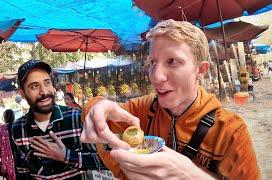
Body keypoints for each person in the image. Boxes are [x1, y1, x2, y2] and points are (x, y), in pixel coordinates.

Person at [80, 19, 260, 179]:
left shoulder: (230, 132)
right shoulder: (143, 109)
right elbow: (100, 112)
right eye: (152, 62)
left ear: (201, 70)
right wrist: (98, 107)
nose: (156, 77)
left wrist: (191, 174)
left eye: (172, 61)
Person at [12, 60, 106, 179]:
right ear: (22, 93)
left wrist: (67, 156)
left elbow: (106, 161)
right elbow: (22, 173)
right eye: (34, 86)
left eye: (47, 83)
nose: (44, 91)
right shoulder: (18, 129)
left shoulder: (77, 118)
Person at [0, 109, 16, 180]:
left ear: (4, 118)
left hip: (6, 163)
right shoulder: (18, 127)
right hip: (19, 161)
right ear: (14, 117)